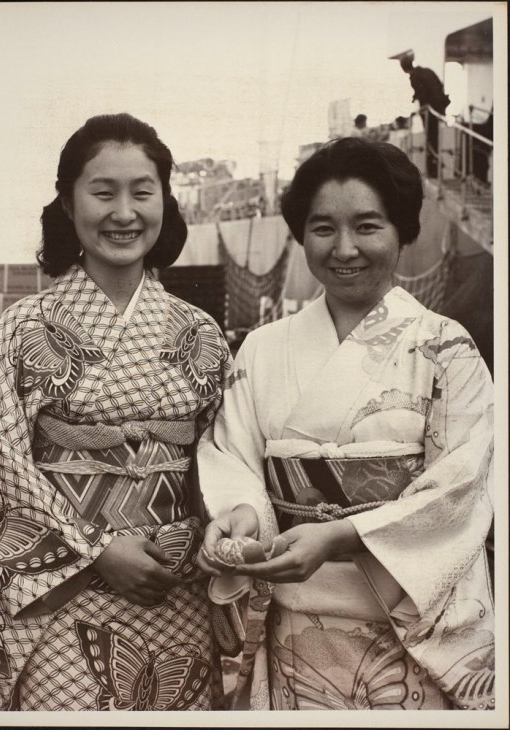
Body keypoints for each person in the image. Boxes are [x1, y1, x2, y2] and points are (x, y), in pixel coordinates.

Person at [197, 137, 494, 711]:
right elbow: (232, 457)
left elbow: (460, 487)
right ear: (301, 234)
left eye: (368, 226)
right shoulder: (262, 348)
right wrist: (237, 518)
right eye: (323, 228)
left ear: (403, 231)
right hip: (295, 623)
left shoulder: (445, 348)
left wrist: (339, 534)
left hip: (404, 631)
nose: (345, 248)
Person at [0, 113, 231, 711]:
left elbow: (224, 458)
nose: (124, 212)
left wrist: (211, 531)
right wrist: (99, 551)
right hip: (63, 593)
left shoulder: (202, 334)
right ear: (67, 201)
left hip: (172, 583)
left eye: (143, 190)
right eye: (102, 191)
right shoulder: (24, 329)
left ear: (165, 198)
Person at [400, 54, 450, 178]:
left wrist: (419, 108)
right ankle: (435, 167)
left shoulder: (414, 77)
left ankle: (433, 170)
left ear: (404, 68)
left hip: (430, 111)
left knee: (430, 139)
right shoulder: (425, 71)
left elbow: (423, 94)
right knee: (434, 139)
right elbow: (435, 87)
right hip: (439, 108)